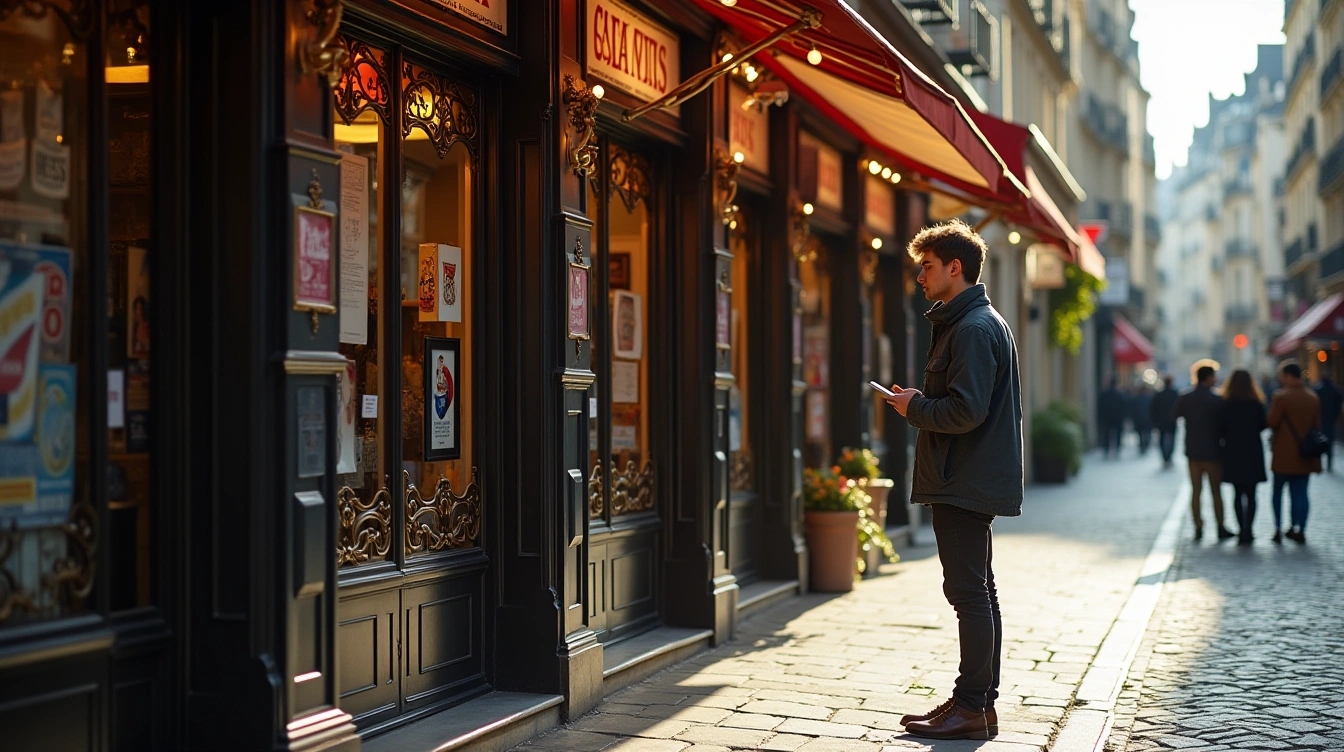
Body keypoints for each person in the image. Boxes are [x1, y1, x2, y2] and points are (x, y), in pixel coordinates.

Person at [882, 219, 1022, 741]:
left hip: (964, 478)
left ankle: (971, 707)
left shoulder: (973, 328)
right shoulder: (971, 323)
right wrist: (918, 404)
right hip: (967, 476)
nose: (920, 276)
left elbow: (966, 410)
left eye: (927, 266)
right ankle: (978, 704)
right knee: (979, 592)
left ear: (955, 268)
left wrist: (914, 406)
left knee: (969, 594)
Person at [1174, 364, 1234, 541]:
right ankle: (1220, 526)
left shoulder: (1186, 397)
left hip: (1193, 451)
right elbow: (1225, 425)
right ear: (1209, 378)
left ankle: (1198, 526)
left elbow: (1175, 415)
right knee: (1216, 491)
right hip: (1213, 451)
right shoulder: (1217, 399)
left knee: (1196, 491)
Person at [1267, 361, 1321, 544]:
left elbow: (1271, 422)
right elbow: (1317, 424)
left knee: (1278, 493)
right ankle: (1300, 528)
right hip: (1305, 454)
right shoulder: (1312, 397)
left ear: (1288, 375)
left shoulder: (1281, 397)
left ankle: (1278, 528)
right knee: (1301, 493)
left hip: (1283, 454)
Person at [1219, 370, 1267, 545]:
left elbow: (1220, 427)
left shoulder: (1226, 404)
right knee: (1252, 493)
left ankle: (1241, 529)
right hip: (1252, 451)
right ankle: (1249, 529)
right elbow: (1263, 424)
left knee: (1237, 493)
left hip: (1233, 451)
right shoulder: (1256, 403)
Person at [1313, 374, 1342, 471]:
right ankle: (1329, 462)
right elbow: (1339, 403)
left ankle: (1320, 462)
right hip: (1330, 419)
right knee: (1330, 441)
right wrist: (1336, 416)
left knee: (1319, 440)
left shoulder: (1318, 389)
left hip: (1321, 419)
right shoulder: (1335, 390)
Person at [1150, 375, 1179, 468]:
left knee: (1162, 439)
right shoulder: (1174, 394)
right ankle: (1169, 456)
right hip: (1171, 421)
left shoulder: (1159, 394)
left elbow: (1153, 408)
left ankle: (1165, 457)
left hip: (1161, 421)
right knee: (1171, 439)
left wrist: (1154, 421)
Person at [1098, 378, 1127, 459]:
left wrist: (1101, 418)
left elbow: (1101, 407)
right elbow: (1123, 406)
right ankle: (1117, 449)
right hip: (1118, 418)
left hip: (1107, 417)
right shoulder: (1119, 394)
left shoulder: (1105, 394)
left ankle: (1106, 449)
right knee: (1118, 434)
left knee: (1107, 434)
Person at [1131, 384, 1154, 455]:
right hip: (1147, 419)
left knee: (1140, 433)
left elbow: (1133, 410)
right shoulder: (1149, 399)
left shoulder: (1136, 398)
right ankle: (1145, 444)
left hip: (1139, 419)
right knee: (1147, 432)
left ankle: (1142, 445)